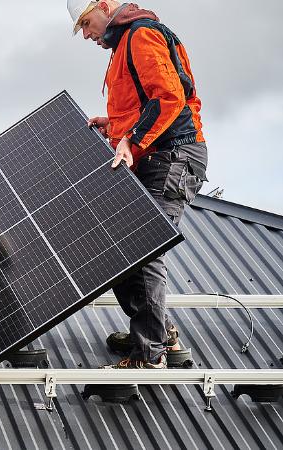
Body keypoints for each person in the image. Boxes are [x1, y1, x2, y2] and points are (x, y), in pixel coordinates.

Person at [69, 1, 209, 368]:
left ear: (103, 7)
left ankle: (150, 353)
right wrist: (114, 127)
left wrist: (132, 140)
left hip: (172, 156)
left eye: (86, 23)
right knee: (118, 249)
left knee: (142, 247)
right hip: (154, 156)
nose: (86, 34)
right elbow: (141, 105)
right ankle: (161, 333)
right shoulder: (123, 44)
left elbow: (168, 97)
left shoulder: (141, 34)